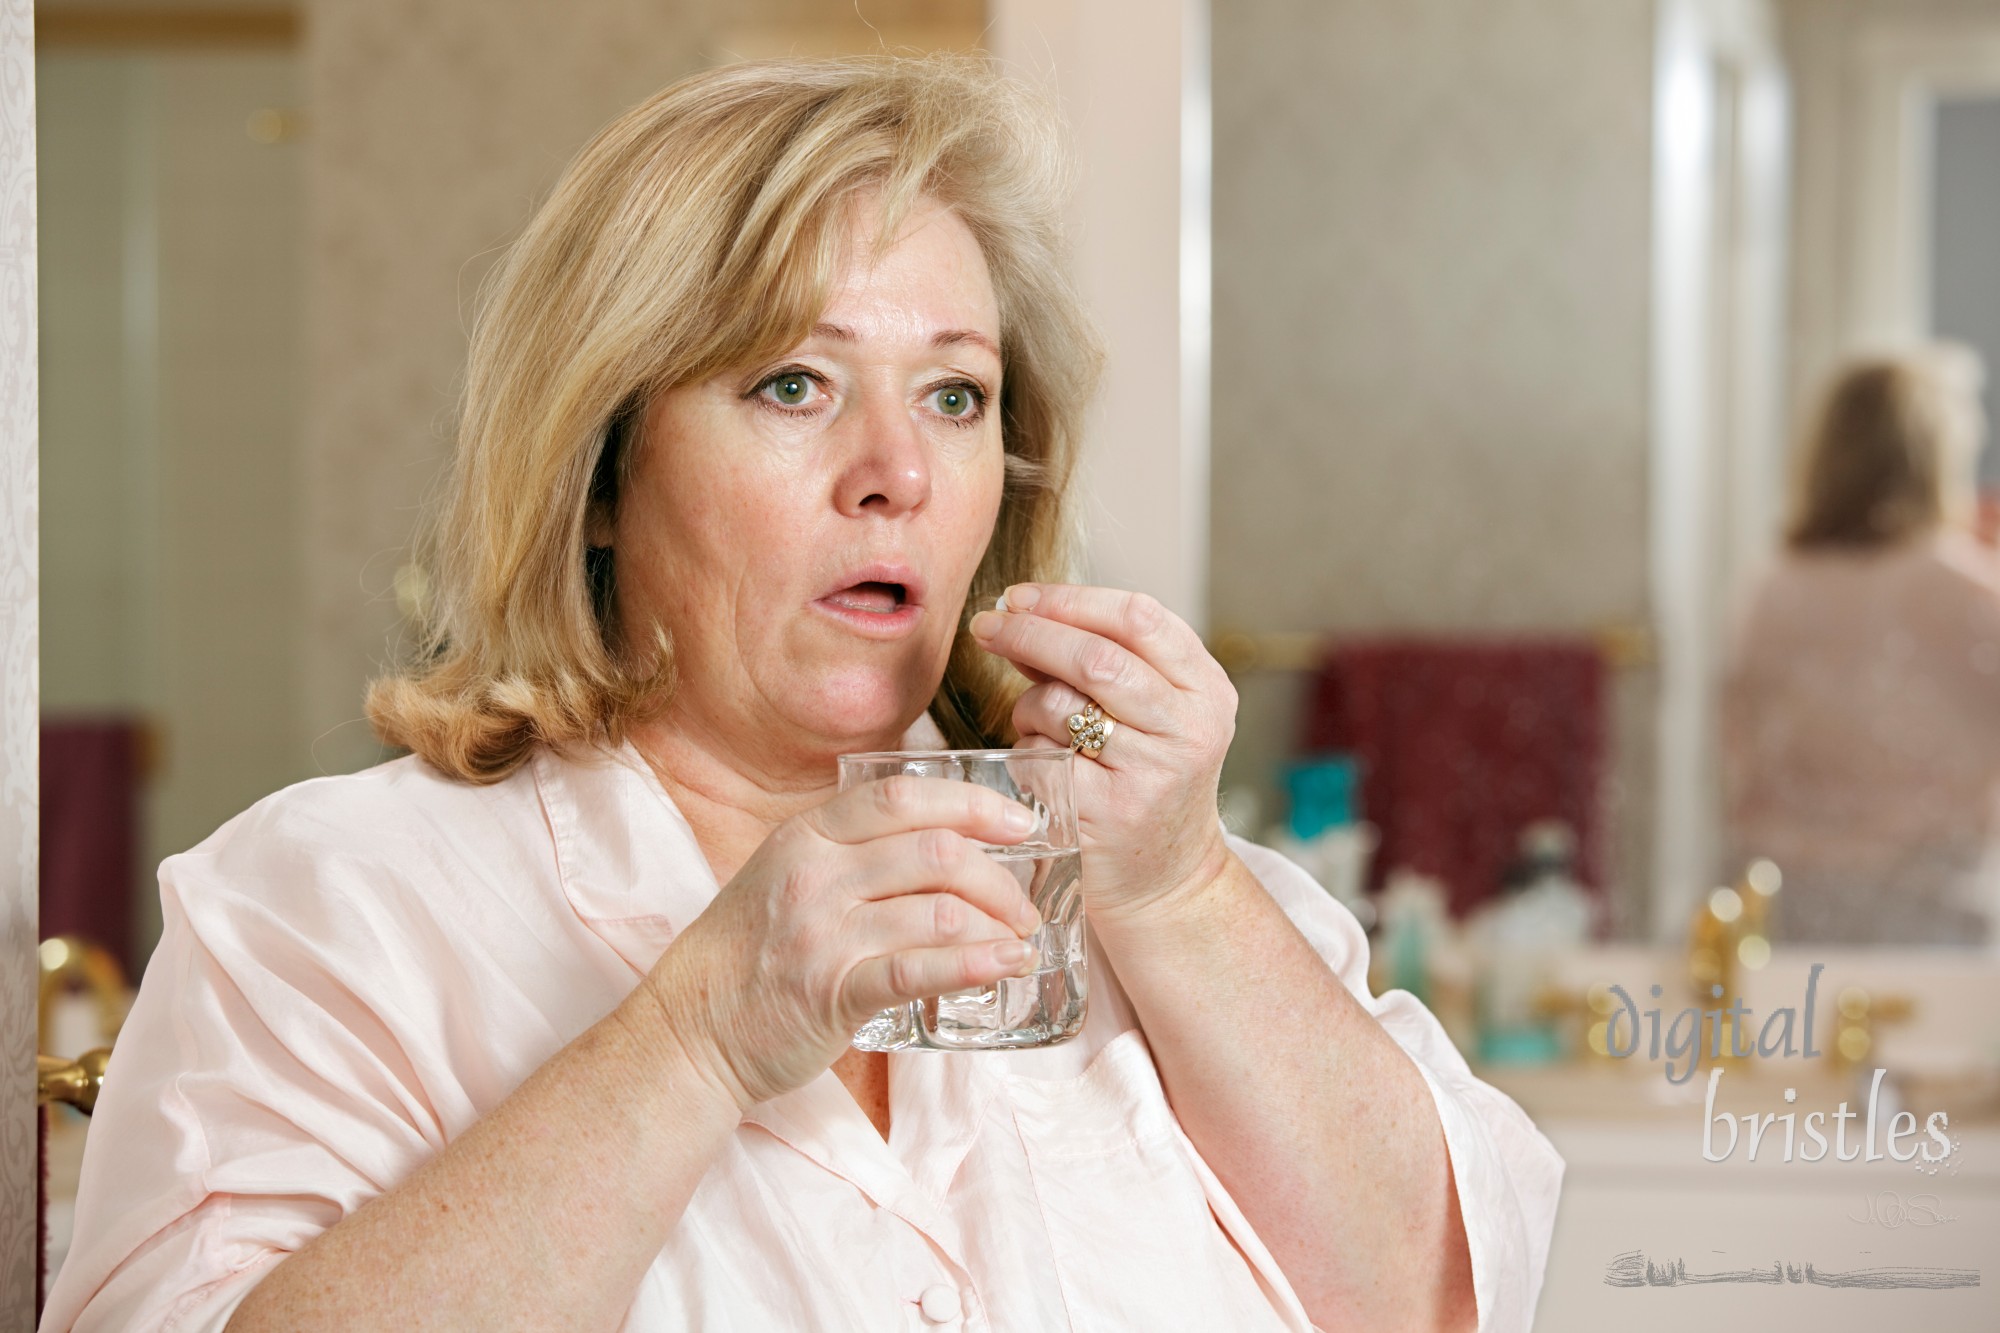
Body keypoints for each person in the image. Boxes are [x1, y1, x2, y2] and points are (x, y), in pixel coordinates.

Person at [44, 56, 1560, 1332]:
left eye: (956, 394)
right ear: (603, 472)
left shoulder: (1162, 889)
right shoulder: (334, 908)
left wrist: (1172, 890)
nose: (897, 472)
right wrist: (703, 1032)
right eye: (793, 385)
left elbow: (1427, 1294)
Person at [1723, 346, 2000, 946]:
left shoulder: (1772, 590)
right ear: (1937, 457)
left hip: (1779, 910)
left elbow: (1738, 752)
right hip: (1929, 921)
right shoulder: (1969, 595)